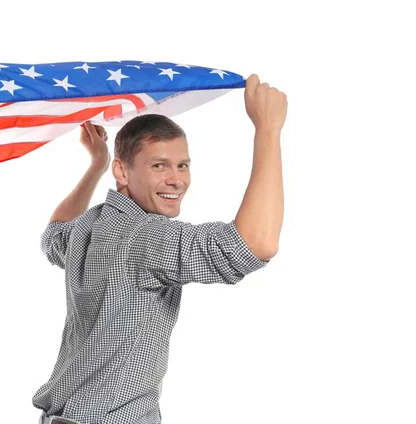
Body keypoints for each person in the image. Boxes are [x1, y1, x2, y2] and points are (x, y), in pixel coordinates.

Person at [34, 74, 287, 424]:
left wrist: (96, 164)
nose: (176, 179)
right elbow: (254, 244)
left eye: (182, 165)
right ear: (122, 171)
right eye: (159, 166)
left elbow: (53, 235)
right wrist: (268, 130)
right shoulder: (147, 238)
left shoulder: (88, 226)